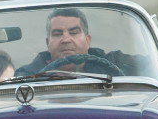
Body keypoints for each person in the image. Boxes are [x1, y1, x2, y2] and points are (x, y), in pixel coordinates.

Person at [13, 8, 141, 76]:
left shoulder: (114, 64)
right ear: (48, 43)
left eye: (73, 32)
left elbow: (152, 68)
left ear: (87, 40)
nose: (66, 39)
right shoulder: (28, 76)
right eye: (58, 34)